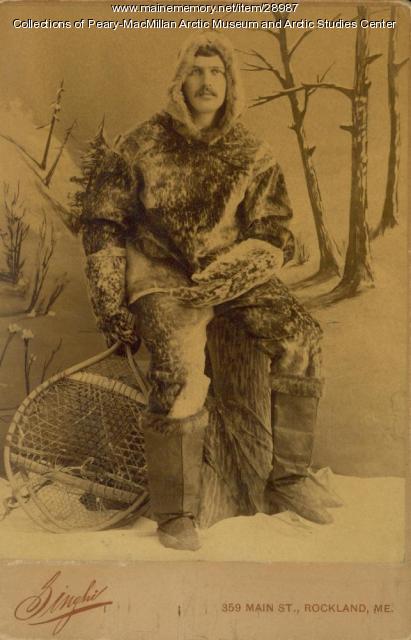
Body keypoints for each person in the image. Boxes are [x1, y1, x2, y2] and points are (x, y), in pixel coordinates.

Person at [80, 33, 338, 552]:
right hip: (161, 276)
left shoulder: (250, 151)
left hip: (231, 274)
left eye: (217, 73)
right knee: (179, 375)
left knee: (301, 337)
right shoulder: (141, 144)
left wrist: (241, 266)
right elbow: (103, 222)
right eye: (197, 72)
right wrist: (110, 300)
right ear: (180, 82)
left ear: (230, 85)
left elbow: (273, 229)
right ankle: (176, 512)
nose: (206, 82)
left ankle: (287, 480)